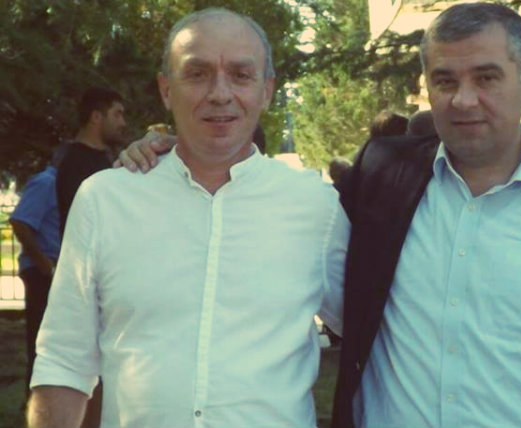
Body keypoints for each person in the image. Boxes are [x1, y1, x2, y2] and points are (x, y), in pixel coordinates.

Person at [115, 3, 521, 427]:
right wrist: (174, 150)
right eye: (444, 81)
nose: (463, 99)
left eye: (486, 78)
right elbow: (266, 209)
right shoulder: (383, 176)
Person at [28, 8, 348, 428]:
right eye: (197, 74)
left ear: (267, 91)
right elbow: (63, 361)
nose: (220, 93)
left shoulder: (316, 207)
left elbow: (376, 331)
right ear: (166, 89)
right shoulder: (106, 200)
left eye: (241, 75)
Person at [9, 146, 67, 391]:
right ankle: (34, 399)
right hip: (42, 272)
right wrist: (43, 263)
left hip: (54, 270)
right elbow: (20, 222)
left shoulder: (60, 185)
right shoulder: (46, 182)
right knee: (42, 341)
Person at [56, 87, 127, 236]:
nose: (123, 123)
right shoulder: (75, 163)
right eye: (117, 114)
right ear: (96, 117)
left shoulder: (104, 159)